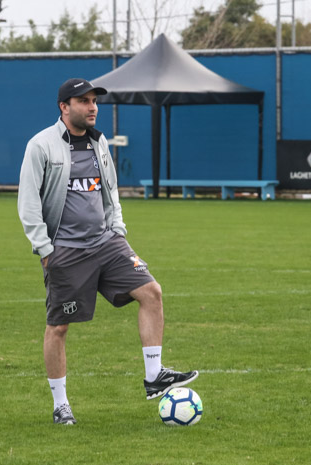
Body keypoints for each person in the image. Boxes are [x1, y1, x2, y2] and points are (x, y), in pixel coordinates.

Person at [17, 78, 198, 425]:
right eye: (83, 101)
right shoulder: (41, 146)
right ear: (64, 107)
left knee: (152, 292)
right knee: (59, 327)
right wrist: (45, 250)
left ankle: (154, 375)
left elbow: (110, 191)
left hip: (107, 242)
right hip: (66, 251)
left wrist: (118, 229)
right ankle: (60, 405)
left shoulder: (100, 143)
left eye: (94, 101)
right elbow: (28, 205)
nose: (92, 107)